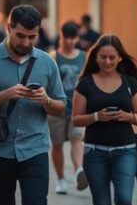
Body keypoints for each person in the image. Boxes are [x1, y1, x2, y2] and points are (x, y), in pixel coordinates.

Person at [0, 5, 67, 205]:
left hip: (35, 149)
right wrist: (4, 95)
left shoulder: (47, 62)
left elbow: (61, 107)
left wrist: (45, 100)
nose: (26, 42)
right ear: (8, 27)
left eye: (32, 36)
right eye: (21, 35)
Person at [70, 34, 137, 205]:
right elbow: (76, 119)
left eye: (112, 57)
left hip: (125, 151)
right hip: (94, 152)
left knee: (123, 199)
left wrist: (125, 116)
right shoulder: (85, 83)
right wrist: (97, 116)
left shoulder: (130, 82)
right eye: (103, 57)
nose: (107, 61)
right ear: (95, 57)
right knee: (101, 201)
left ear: (120, 57)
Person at [50, 21, 88, 195]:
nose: (71, 42)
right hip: (57, 107)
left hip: (77, 107)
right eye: (68, 38)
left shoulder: (84, 56)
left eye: (74, 38)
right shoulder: (53, 56)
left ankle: (79, 169)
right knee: (57, 144)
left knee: (77, 138)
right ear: (61, 36)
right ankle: (61, 179)